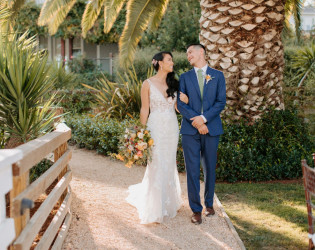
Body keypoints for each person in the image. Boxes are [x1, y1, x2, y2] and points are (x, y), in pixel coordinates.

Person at [126, 51, 187, 224]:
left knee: (168, 161)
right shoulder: (147, 84)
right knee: (156, 161)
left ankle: (168, 201)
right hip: (155, 127)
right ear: (160, 63)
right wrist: (141, 132)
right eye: (169, 60)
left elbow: (177, 108)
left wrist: (185, 101)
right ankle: (154, 205)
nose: (172, 62)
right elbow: (145, 109)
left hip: (171, 127)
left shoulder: (174, 83)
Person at [177, 44, 226, 225]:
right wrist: (197, 122)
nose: (188, 55)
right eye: (187, 53)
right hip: (190, 130)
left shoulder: (218, 76)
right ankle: (196, 210)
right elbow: (181, 104)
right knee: (191, 170)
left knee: (209, 168)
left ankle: (209, 204)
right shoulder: (184, 78)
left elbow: (221, 102)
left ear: (201, 52)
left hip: (212, 128)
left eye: (190, 52)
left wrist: (204, 119)